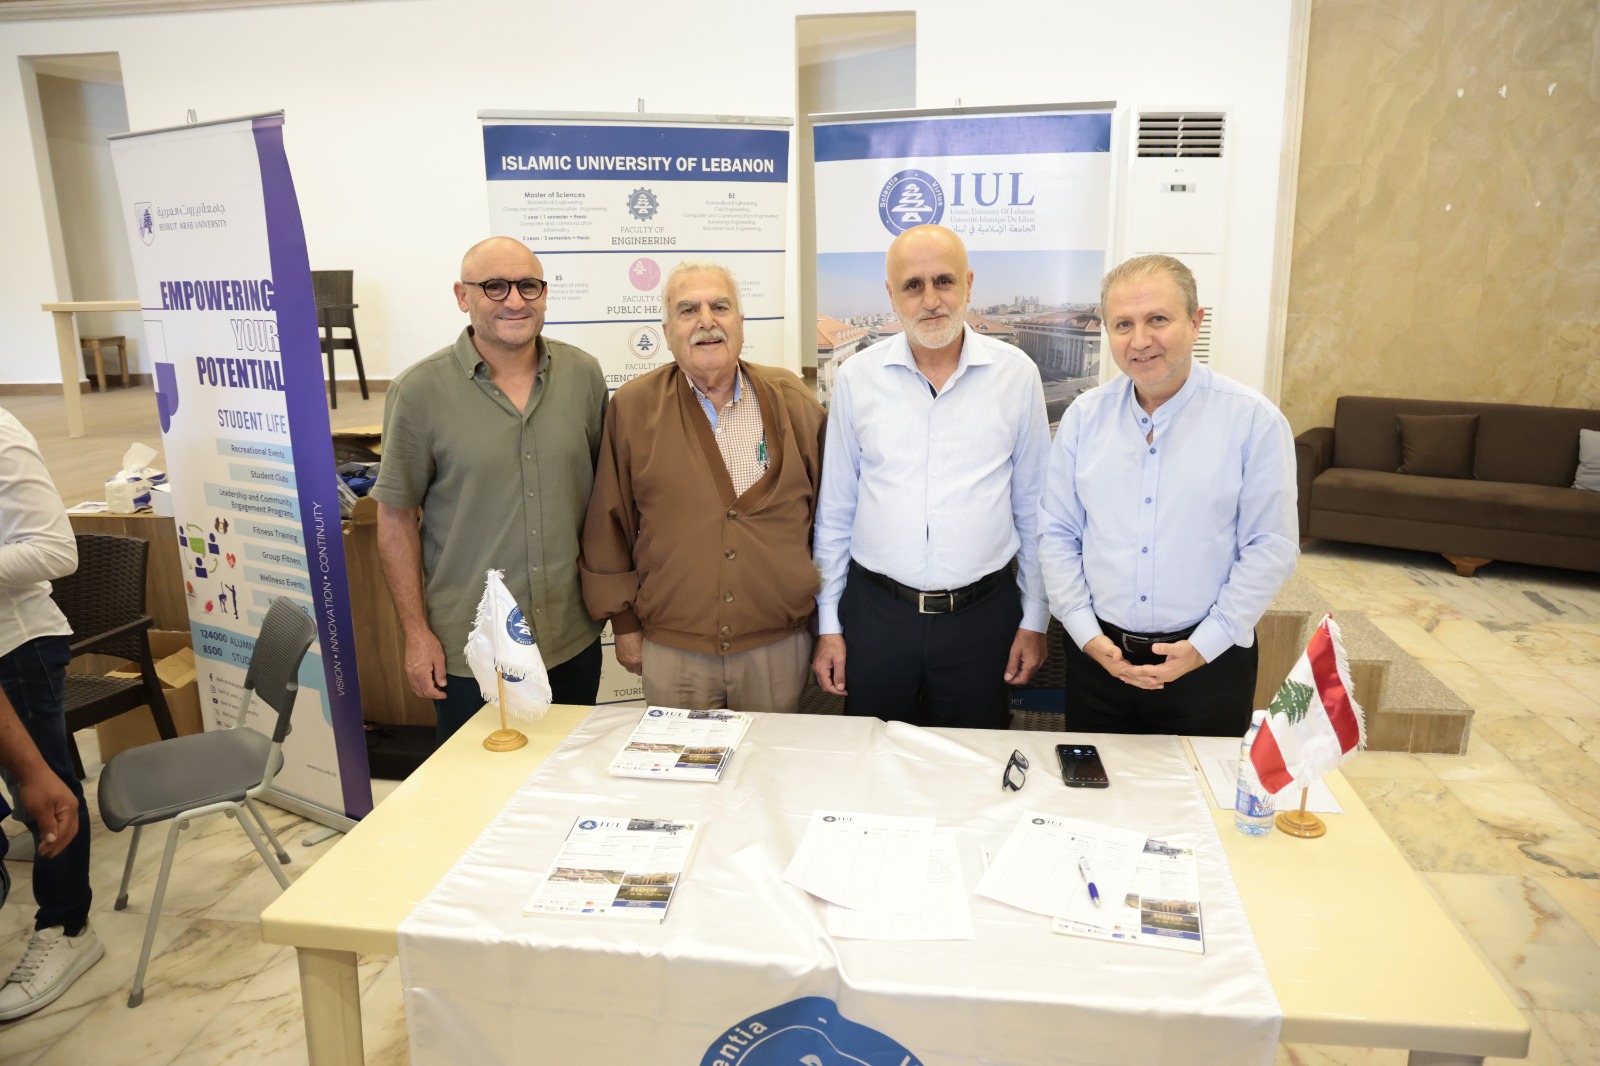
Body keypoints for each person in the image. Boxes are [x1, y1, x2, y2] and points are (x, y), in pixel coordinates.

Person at [1037, 254, 1298, 737]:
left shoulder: (1253, 421)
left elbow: (1271, 547)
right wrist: (1085, 634)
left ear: (1195, 322)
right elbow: (1056, 534)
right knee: (1096, 781)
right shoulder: (1083, 419)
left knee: (1202, 786)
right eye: (1123, 324)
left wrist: (1204, 645)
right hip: (1099, 663)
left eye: (1157, 319)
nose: (1140, 340)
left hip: (1209, 666)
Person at [812, 224, 1051, 728]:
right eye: (913, 286)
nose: (931, 300)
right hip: (876, 617)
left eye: (944, 281)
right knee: (874, 758)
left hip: (982, 618)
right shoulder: (857, 379)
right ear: (891, 295)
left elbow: (1035, 511)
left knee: (973, 761)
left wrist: (1035, 619)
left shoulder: (1016, 375)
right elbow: (835, 512)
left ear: (968, 283)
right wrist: (829, 624)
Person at [373, 237, 609, 742]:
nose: (515, 301)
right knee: (478, 783)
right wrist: (416, 634)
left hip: (571, 637)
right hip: (472, 647)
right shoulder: (419, 392)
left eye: (528, 286)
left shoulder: (584, 376)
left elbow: (603, 502)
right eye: (495, 287)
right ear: (463, 296)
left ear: (544, 293)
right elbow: (395, 519)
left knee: (565, 772)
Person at [582, 260, 826, 713]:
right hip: (674, 649)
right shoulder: (633, 408)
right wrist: (625, 624)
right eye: (688, 310)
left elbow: (831, 517)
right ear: (667, 331)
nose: (706, 321)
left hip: (778, 646)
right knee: (679, 760)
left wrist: (828, 624)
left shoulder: (791, 399)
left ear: (741, 322)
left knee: (771, 756)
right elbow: (608, 524)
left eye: (720, 306)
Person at [0, 405, 102, 1021]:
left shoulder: (1, 433)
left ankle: (67, 927)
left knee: (47, 786)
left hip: (18, 646)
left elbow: (56, 551)